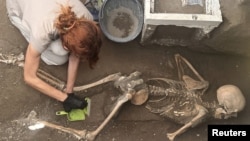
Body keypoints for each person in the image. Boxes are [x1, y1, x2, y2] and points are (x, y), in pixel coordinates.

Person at [6, 0, 102, 112]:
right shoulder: (42, 32)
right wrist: (64, 98)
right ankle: (35, 44)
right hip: (16, 9)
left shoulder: (86, 17)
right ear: (67, 45)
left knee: (61, 51)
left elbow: (75, 55)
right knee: (59, 57)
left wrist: (69, 91)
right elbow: (29, 77)